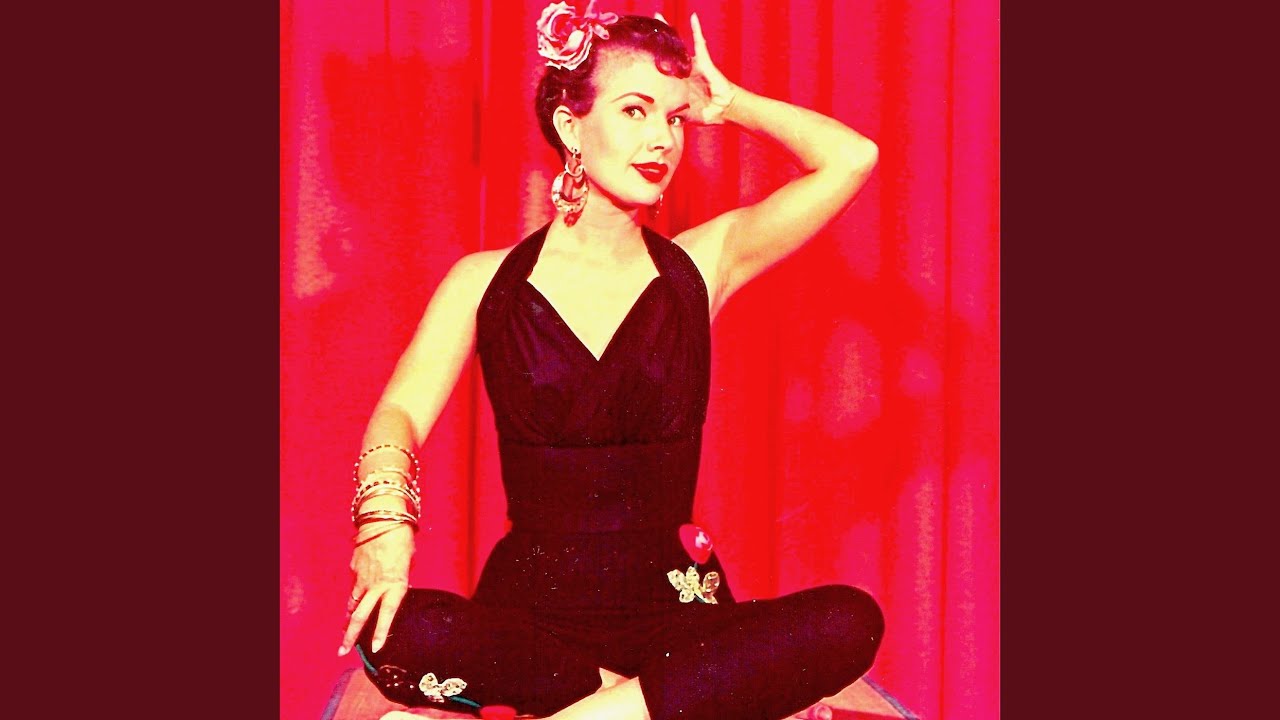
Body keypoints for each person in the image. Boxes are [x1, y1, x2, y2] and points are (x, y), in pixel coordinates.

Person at [338, 4, 882, 719]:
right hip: (532, 620)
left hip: (678, 615)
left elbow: (852, 158)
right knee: (394, 631)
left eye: (674, 118)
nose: (662, 138)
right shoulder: (484, 281)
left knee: (850, 620)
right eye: (635, 111)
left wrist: (729, 104)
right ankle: (637, 707)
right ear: (571, 126)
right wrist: (384, 529)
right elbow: (401, 410)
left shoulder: (700, 266)